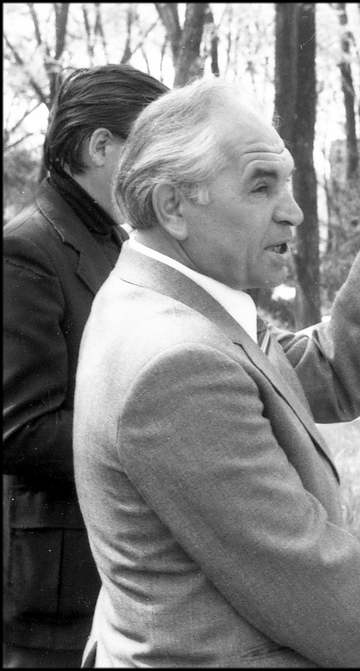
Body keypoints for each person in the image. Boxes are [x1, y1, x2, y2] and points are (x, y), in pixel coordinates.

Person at [71, 77, 360, 666]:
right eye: (262, 187)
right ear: (173, 206)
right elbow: (306, 578)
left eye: (288, 182)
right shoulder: (177, 359)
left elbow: (326, 374)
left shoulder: (168, 300)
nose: (295, 212)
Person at [2, 64, 169, 668]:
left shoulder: (117, 242)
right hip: (55, 591)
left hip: (112, 566)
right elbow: (19, 430)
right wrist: (157, 437)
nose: (163, 172)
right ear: (101, 147)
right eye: (151, 151)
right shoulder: (26, 248)